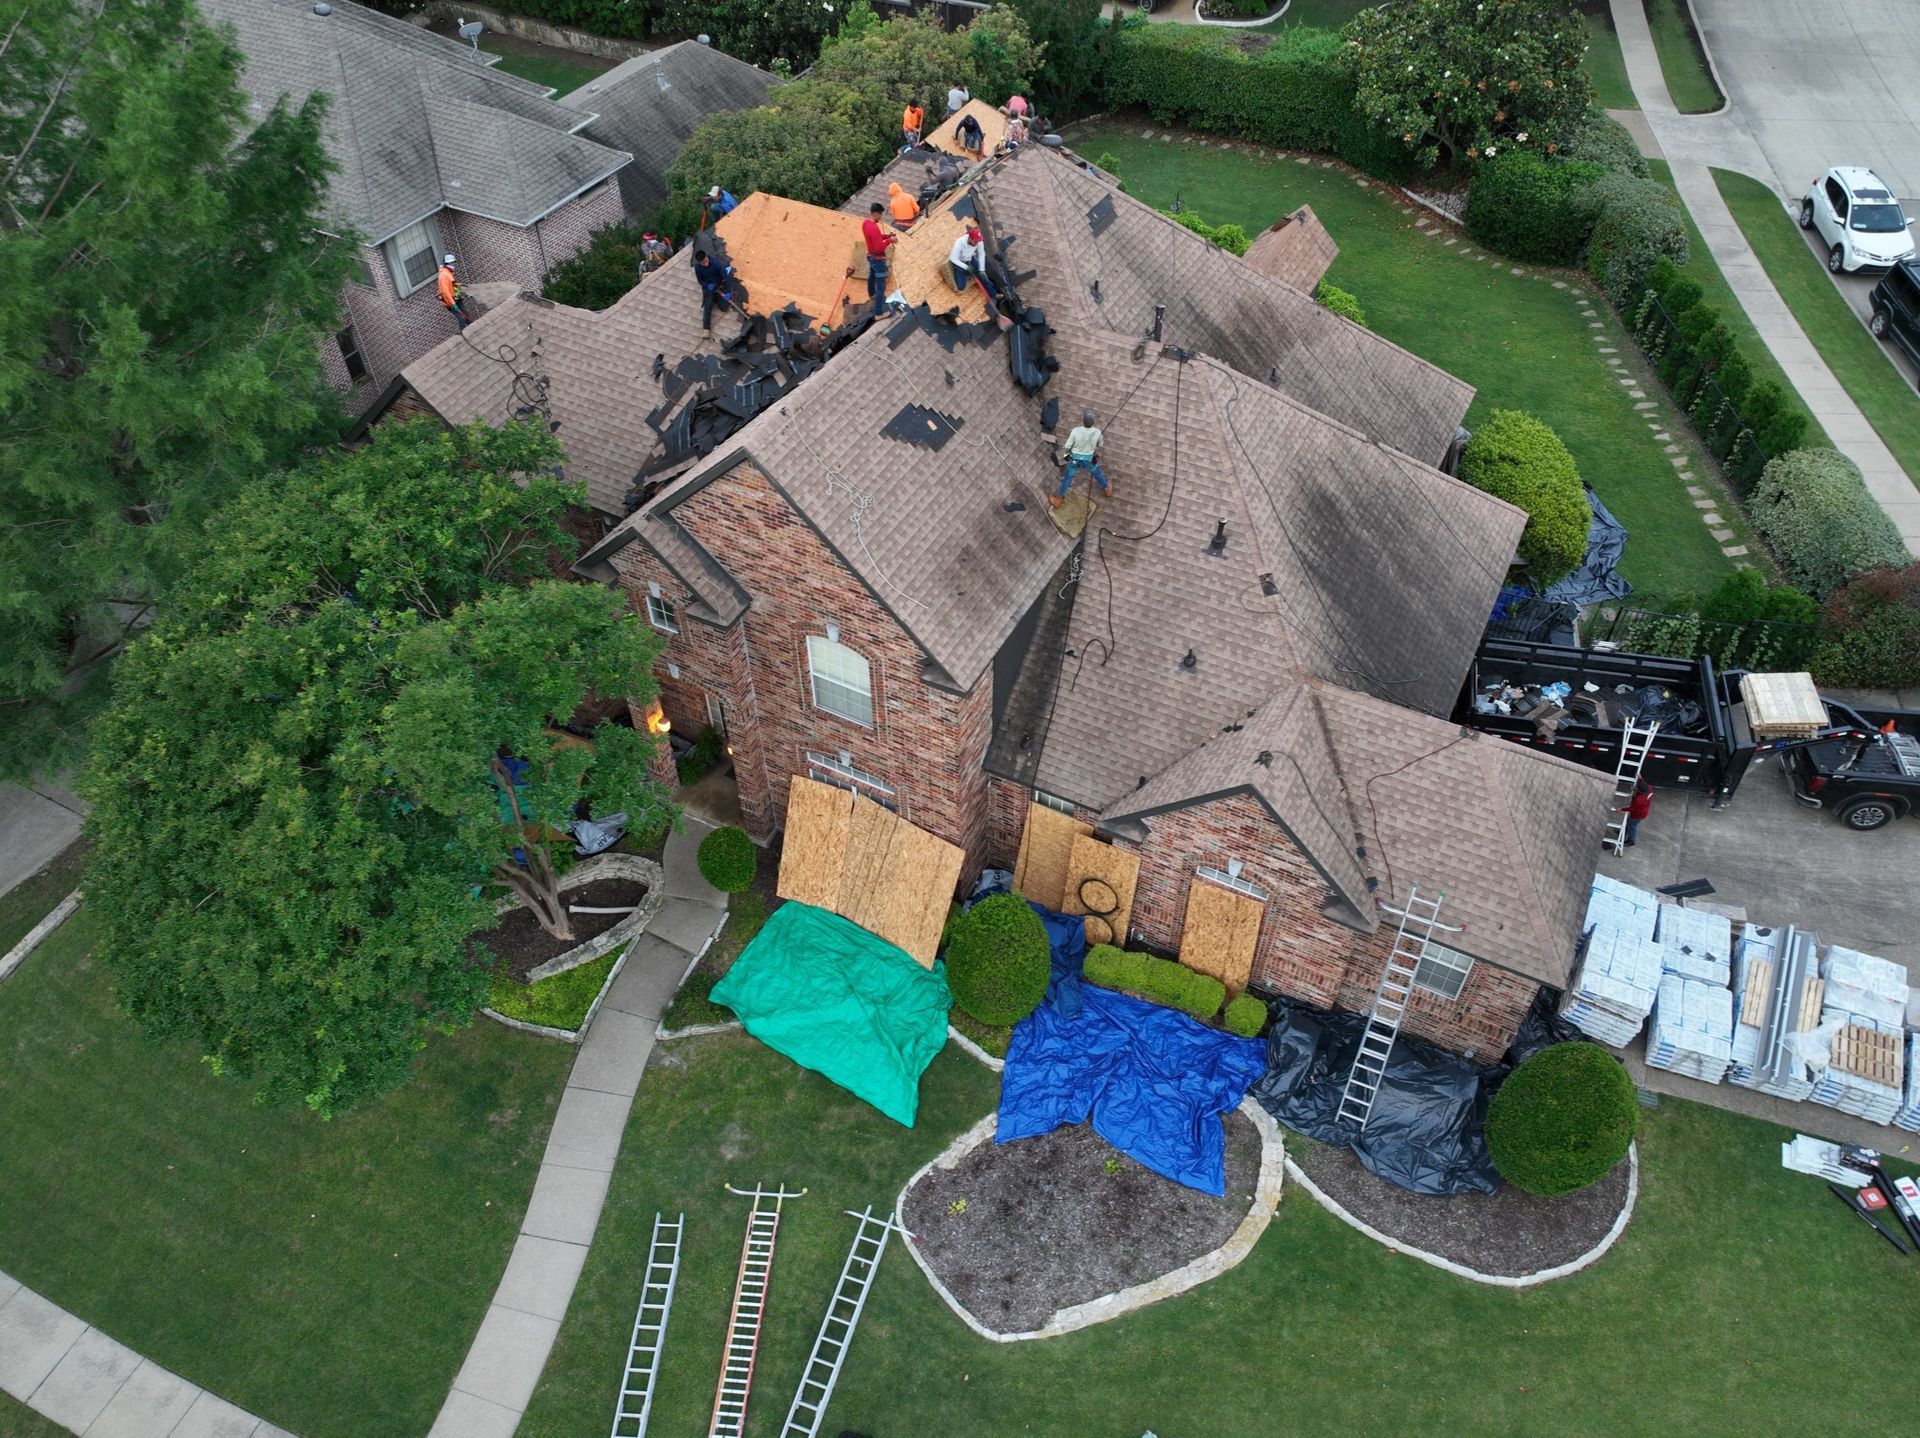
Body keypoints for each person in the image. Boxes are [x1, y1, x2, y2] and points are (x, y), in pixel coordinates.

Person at [1052, 410, 1111, 508]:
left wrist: (1066, 456)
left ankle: (1059, 499)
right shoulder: (1097, 432)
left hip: (1075, 460)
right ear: (1093, 422)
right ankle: (1107, 489)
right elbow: (1100, 445)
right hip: (1089, 460)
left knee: (1068, 478)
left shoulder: (1075, 431)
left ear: (1083, 421)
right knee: (1097, 472)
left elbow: (1068, 445)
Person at [860, 202, 897, 307]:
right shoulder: (873, 227)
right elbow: (879, 247)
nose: (880, 218)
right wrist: (890, 240)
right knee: (881, 287)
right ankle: (878, 312)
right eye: (880, 215)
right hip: (877, 259)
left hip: (870, 256)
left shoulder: (865, 223)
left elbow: (875, 237)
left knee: (871, 276)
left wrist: (886, 236)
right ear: (876, 214)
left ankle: (871, 294)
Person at [692, 248, 733, 334]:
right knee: (708, 307)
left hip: (718, 287)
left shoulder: (715, 263)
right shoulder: (698, 268)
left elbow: (726, 276)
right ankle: (706, 329)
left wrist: (729, 291)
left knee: (724, 307)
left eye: (705, 261)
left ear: (706, 257)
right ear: (699, 262)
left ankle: (717, 299)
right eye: (703, 263)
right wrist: (707, 286)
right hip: (709, 288)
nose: (705, 264)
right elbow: (700, 280)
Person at [948, 223, 989, 296]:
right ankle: (965, 272)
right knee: (961, 287)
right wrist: (965, 267)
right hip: (960, 262)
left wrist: (982, 269)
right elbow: (953, 258)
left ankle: (994, 293)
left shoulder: (978, 242)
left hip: (970, 259)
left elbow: (981, 254)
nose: (977, 243)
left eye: (978, 241)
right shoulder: (959, 243)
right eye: (975, 241)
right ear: (970, 238)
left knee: (983, 277)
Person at [1616, 778, 1654, 847]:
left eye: (1636, 787)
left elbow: (1632, 808)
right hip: (1643, 812)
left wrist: (1621, 809)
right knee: (1629, 822)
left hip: (1637, 814)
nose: (1635, 787)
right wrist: (1641, 778)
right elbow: (1644, 784)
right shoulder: (1649, 789)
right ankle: (1624, 832)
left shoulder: (1638, 799)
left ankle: (1631, 841)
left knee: (1632, 826)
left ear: (1639, 790)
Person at [435, 253, 468, 330]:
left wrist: (460, 285)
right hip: (450, 302)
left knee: (467, 316)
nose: (453, 265)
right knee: (462, 320)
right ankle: (462, 335)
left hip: (456, 298)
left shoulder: (449, 273)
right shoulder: (443, 276)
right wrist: (453, 304)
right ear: (447, 264)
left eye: (453, 263)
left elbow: (452, 285)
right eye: (451, 263)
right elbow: (445, 292)